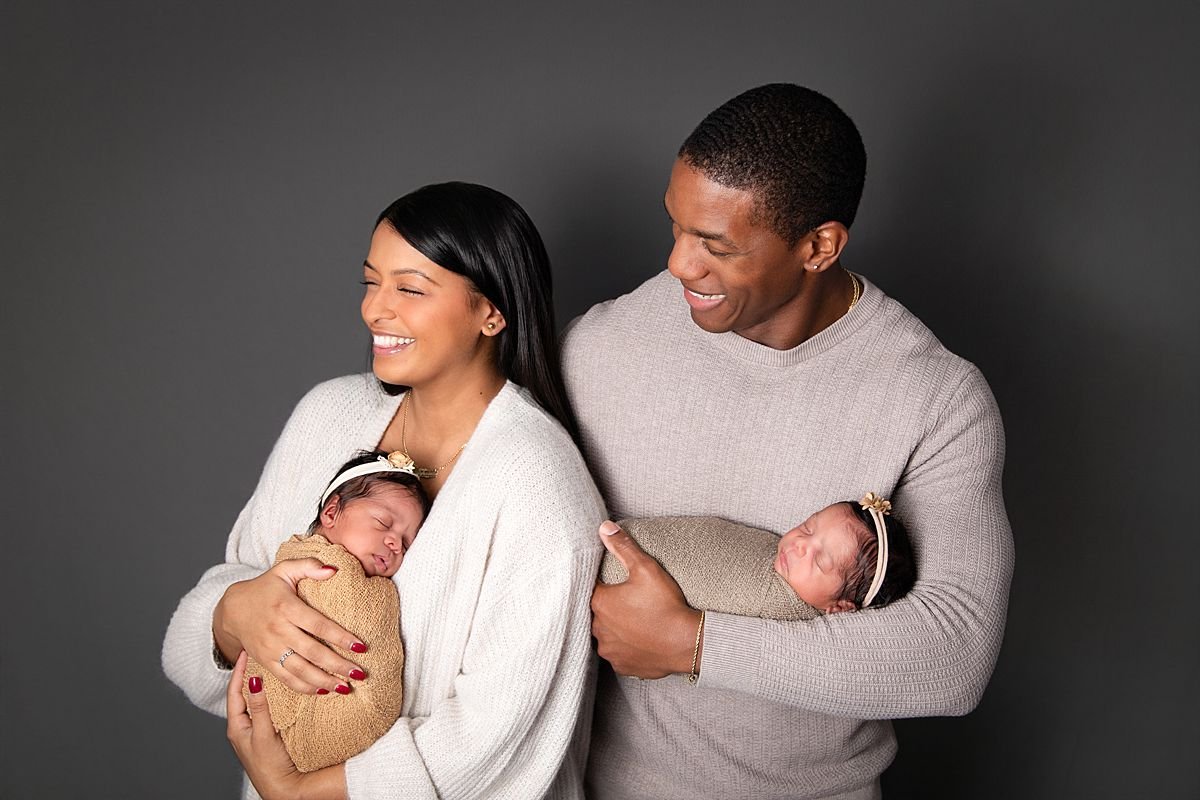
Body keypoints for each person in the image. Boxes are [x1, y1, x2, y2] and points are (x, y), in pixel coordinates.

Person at [562, 83, 1014, 799]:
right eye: (676, 227)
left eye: (716, 246)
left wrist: (694, 644)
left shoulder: (935, 398)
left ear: (818, 246)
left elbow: (953, 655)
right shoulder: (602, 346)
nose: (679, 264)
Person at [162, 181, 605, 800]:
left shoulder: (540, 483)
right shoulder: (328, 415)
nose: (375, 310)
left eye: (410, 289)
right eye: (371, 282)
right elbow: (197, 641)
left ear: (492, 312)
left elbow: (497, 734)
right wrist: (234, 612)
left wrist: (300, 792)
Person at [242, 450, 431, 774]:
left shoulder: (364, 584)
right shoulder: (302, 560)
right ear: (331, 512)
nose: (396, 544)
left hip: (342, 756)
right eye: (383, 523)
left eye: (406, 542)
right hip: (270, 723)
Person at [599, 493, 916, 622]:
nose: (800, 544)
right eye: (808, 527)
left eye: (820, 562)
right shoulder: (770, 556)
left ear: (839, 607)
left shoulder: (779, 611)